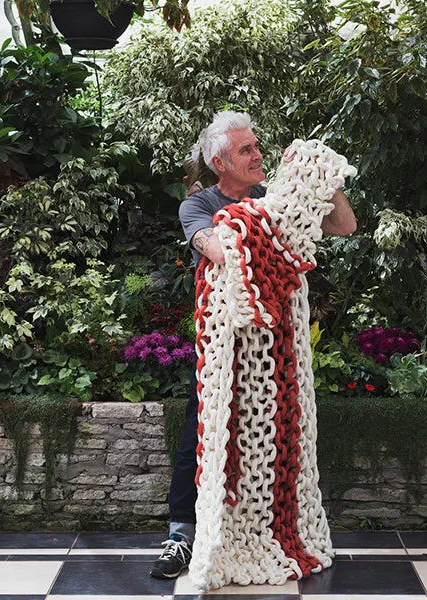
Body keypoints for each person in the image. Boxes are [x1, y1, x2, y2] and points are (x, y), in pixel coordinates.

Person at [150, 110, 356, 580]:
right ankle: (182, 535)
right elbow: (221, 249)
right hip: (224, 349)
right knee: (202, 433)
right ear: (220, 162)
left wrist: (319, 173)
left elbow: (343, 226)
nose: (258, 155)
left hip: (275, 347)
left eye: (258, 146)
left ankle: (270, 530)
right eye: (246, 150)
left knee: (277, 430)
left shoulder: (273, 199)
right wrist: (269, 214)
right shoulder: (198, 206)